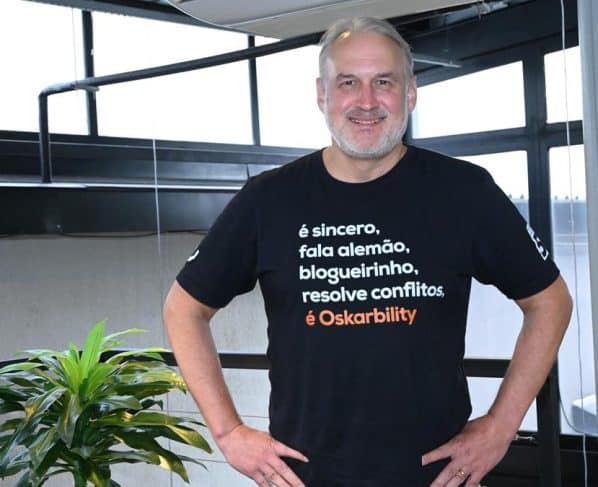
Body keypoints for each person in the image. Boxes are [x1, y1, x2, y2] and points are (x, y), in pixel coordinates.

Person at [163, 16, 572, 487]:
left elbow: (550, 301)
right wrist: (229, 432)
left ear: (410, 92)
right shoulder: (268, 200)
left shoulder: (464, 192)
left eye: (384, 81)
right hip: (306, 477)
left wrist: (501, 426)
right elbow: (183, 309)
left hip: (436, 477)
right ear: (322, 95)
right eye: (348, 83)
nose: (366, 101)